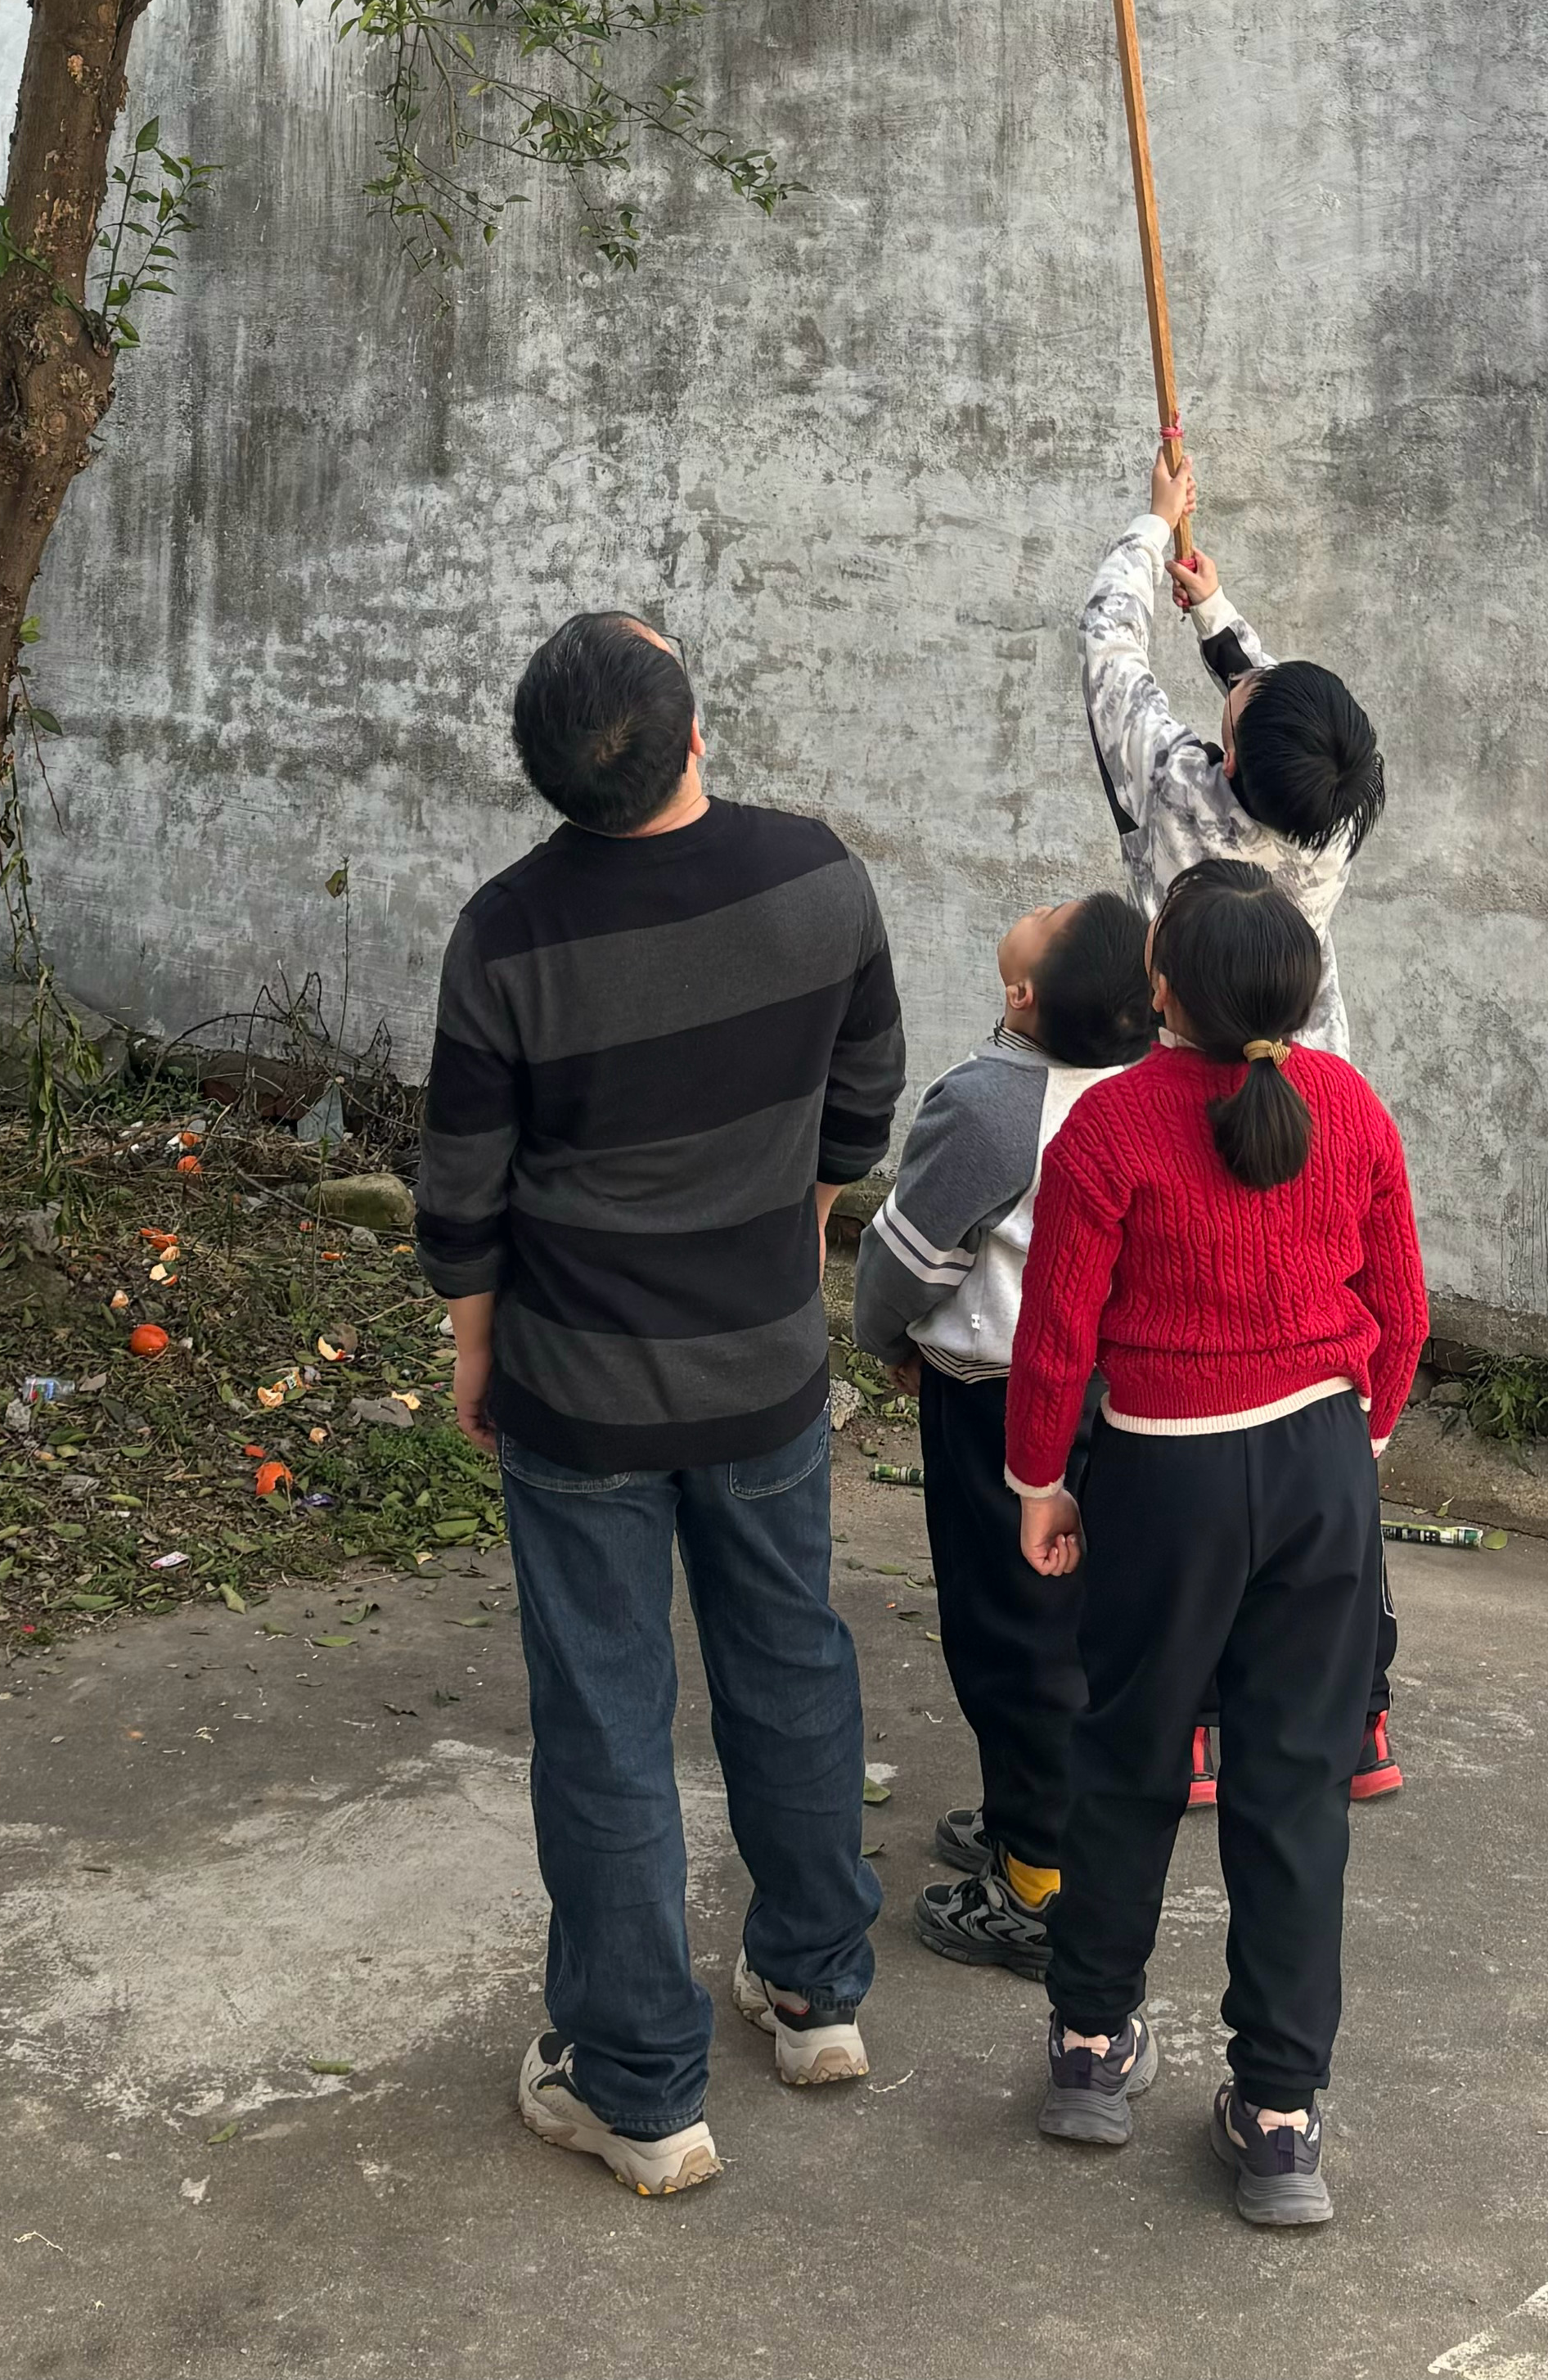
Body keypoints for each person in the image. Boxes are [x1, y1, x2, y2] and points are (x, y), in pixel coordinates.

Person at [415, 604, 902, 2201]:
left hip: (577, 1400)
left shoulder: (507, 935)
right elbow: (861, 1101)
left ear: (552, 777)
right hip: (763, 1368)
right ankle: (816, 1989)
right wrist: (804, 1221)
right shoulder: (815, 880)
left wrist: (475, 1353)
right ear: (694, 731)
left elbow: (463, 1196)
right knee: (790, 1659)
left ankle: (637, 2085)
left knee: (606, 1724)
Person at [1007, 861, 1427, 2220]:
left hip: (1160, 1476)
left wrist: (1036, 1486)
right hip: (1317, 1463)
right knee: (1294, 1789)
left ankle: (1086, 2046)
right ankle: (1280, 2115)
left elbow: (1056, 1337)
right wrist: (1351, 1449)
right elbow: (1401, 1312)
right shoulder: (1349, 1108)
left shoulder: (1109, 1129)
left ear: (1161, 991)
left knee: (1127, 1756)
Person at [1082, 436, 1404, 1810]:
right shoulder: (1332, 817)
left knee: (1207, 1405)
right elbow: (1285, 728)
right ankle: (1357, 1710)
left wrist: (1151, 546)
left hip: (1200, 1109)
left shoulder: (1179, 796)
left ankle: (1205, 1715)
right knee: (1307, 1411)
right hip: (1309, 1105)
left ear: (1228, 756)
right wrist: (1221, 621)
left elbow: (1105, 658)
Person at [851, 888, 1155, 1974]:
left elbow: (908, 1258)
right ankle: (1035, 1817)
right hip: (1111, 1399)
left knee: (1005, 1631)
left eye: (1059, 913)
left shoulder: (986, 1105)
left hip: (997, 1400)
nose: (1053, 899)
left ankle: (1037, 1882)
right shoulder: (1150, 1082)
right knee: (1065, 1621)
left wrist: (879, 1336)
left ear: (1020, 996)